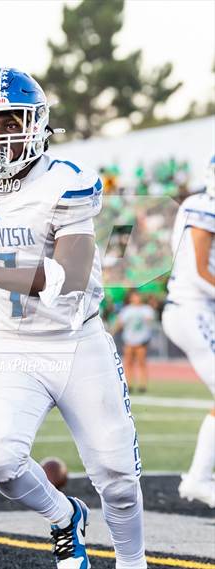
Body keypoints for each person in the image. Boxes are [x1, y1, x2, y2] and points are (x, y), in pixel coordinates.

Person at [0, 68, 147, 569]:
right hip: (10, 343)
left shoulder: (66, 182)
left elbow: (68, 275)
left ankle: (133, 563)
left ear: (36, 125)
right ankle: (65, 516)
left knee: (117, 476)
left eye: (9, 124)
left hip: (75, 339)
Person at [162, 155, 215, 509]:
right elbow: (198, 273)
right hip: (192, 310)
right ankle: (198, 479)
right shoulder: (205, 207)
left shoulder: (197, 202)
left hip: (196, 309)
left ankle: (199, 477)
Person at [114, 290, 155, 393]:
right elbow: (120, 323)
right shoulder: (126, 310)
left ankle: (142, 385)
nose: (136, 298)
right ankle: (128, 384)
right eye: (134, 296)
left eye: (138, 296)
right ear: (130, 298)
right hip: (129, 340)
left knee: (141, 362)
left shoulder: (146, 309)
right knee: (128, 363)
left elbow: (150, 319)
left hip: (141, 340)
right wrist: (113, 332)